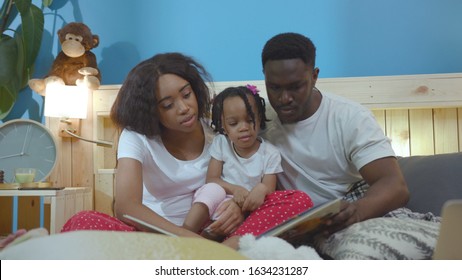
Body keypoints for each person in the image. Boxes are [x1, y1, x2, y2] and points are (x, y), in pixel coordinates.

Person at [61, 52, 243, 239]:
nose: (184, 108)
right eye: (168, 105)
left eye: (187, 95)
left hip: (211, 231)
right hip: (156, 233)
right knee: (83, 222)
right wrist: (186, 238)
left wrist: (238, 206)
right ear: (151, 112)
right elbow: (126, 207)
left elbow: (245, 183)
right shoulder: (136, 137)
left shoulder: (219, 130)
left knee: (273, 205)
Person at [259, 32, 410, 236]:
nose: (284, 98)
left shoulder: (350, 117)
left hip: (344, 215)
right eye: (274, 87)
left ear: (314, 77)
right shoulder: (257, 121)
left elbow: (394, 185)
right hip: (289, 224)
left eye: (295, 87)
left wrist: (357, 211)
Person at [182, 85, 312, 236]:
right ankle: (185, 232)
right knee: (212, 189)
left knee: (284, 201)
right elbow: (212, 179)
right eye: (233, 123)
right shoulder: (221, 143)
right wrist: (236, 190)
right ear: (223, 125)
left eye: (250, 120)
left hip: (248, 210)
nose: (244, 128)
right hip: (219, 201)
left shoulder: (270, 153)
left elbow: (268, 188)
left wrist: (260, 190)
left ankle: (216, 240)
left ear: (259, 118)